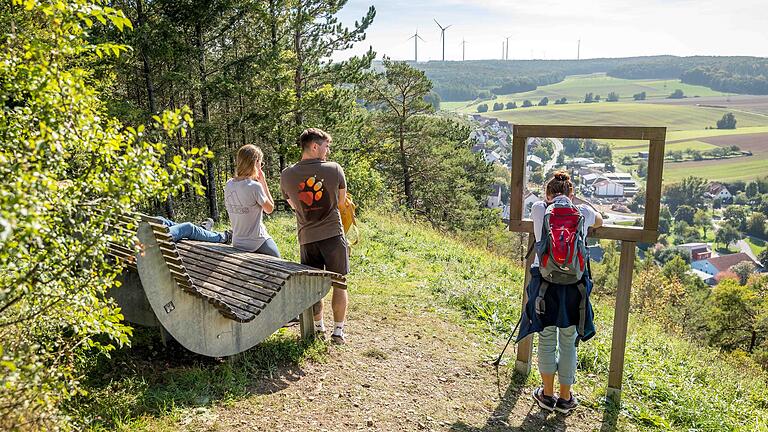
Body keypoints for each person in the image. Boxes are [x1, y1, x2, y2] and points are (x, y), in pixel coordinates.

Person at [516, 170, 602, 414]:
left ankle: (547, 394)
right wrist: (579, 202)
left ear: (547, 193)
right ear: (571, 193)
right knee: (568, 341)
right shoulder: (582, 212)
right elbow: (600, 221)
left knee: (546, 338)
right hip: (575, 287)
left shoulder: (538, 209)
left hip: (545, 284)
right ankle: (565, 398)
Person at [280, 128, 349, 344]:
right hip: (332, 235)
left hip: (307, 238)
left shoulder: (287, 174)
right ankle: (338, 333)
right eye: (326, 147)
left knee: (313, 286)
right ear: (314, 146)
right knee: (340, 283)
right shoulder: (334, 169)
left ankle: (318, 328)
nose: (328, 151)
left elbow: (292, 205)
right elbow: (340, 202)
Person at [224, 144, 280, 257]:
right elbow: (270, 209)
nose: (261, 167)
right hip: (257, 242)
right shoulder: (254, 186)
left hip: (237, 242)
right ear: (255, 162)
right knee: (279, 262)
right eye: (261, 163)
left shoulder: (229, 184)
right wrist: (263, 182)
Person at [154, 216, 231, 244]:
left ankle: (201, 230)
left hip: (148, 236)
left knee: (160, 219)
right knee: (188, 227)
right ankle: (222, 237)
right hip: (154, 239)